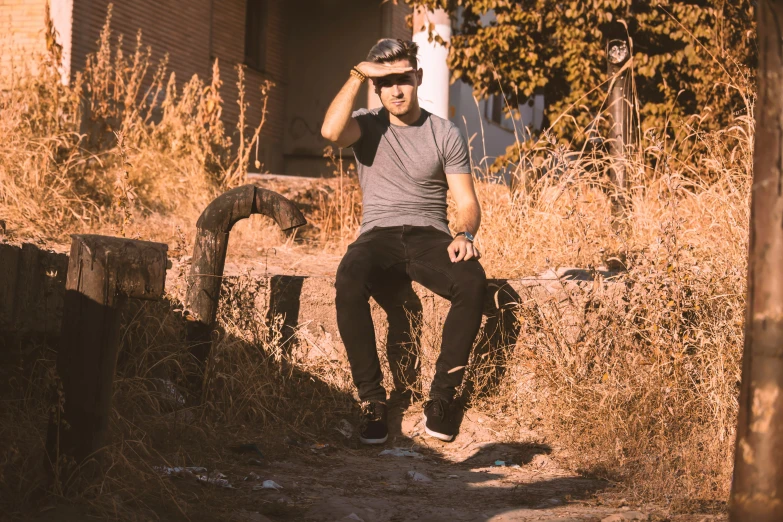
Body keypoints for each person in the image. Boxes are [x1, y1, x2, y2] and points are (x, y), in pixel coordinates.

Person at [320, 39, 486, 444]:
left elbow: (467, 202)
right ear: (376, 87)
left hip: (431, 235)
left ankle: (441, 400)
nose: (396, 90)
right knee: (349, 279)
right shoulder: (365, 123)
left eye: (404, 80)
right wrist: (358, 74)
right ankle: (373, 401)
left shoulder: (443, 131)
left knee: (472, 281)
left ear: (419, 78)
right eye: (387, 82)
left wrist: (465, 234)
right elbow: (329, 131)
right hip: (377, 234)